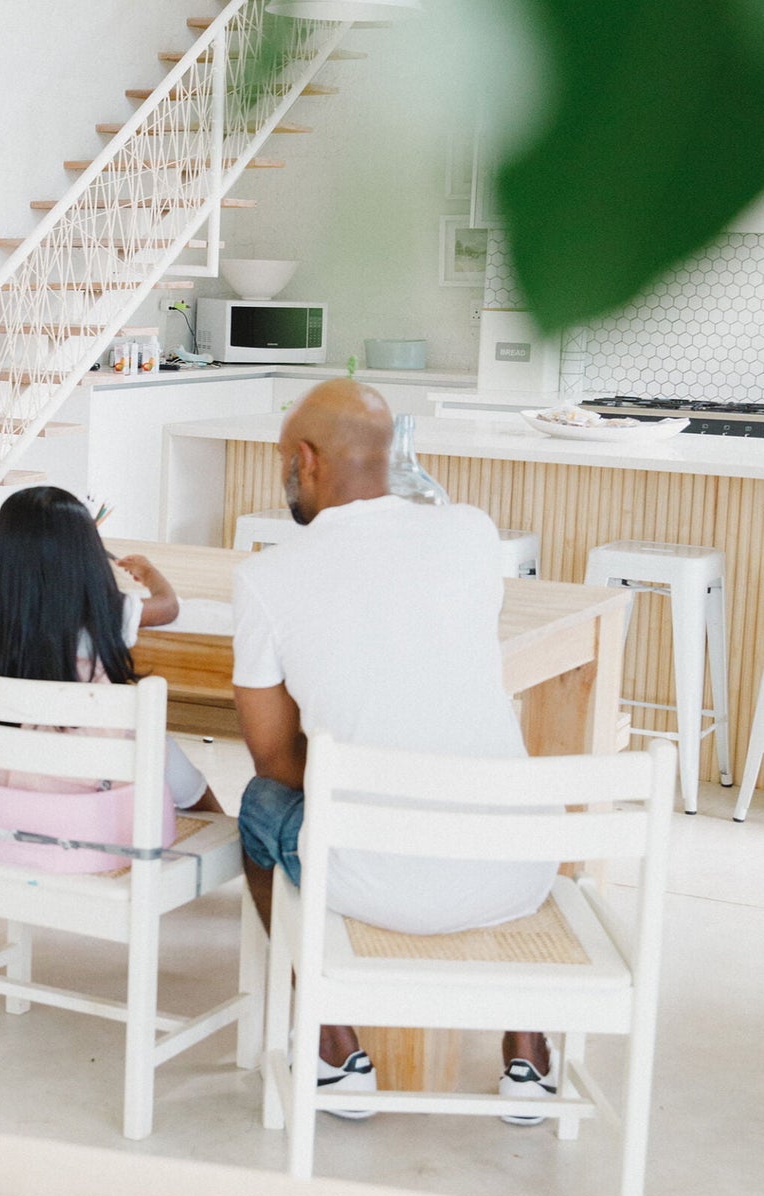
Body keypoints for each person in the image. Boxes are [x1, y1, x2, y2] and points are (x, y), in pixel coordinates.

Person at [231, 379, 558, 1123]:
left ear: (305, 461)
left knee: (257, 812)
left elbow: (273, 760)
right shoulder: (472, 533)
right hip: (514, 875)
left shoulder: (264, 579)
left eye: (284, 459)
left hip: (368, 881)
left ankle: (331, 1046)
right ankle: (527, 1051)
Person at [0, 485, 220, 811]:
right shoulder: (109, 614)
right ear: (87, 557)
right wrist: (151, 573)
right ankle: (235, 851)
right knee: (166, 758)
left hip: (11, 781)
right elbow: (168, 606)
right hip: (95, 781)